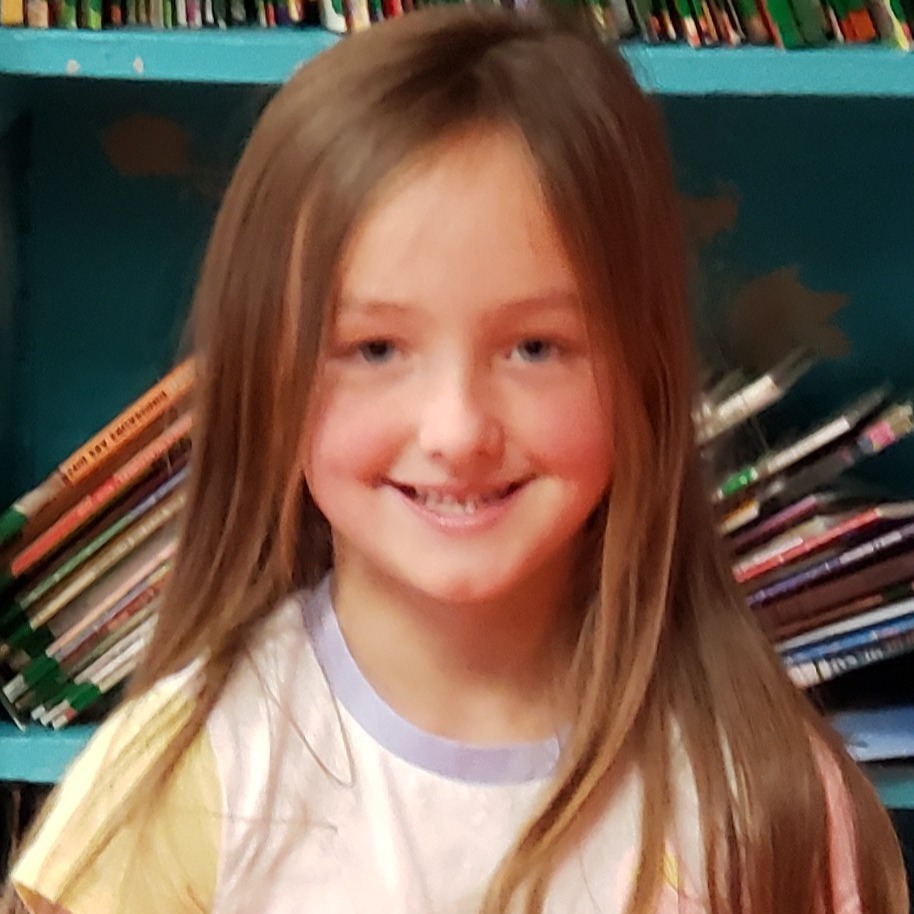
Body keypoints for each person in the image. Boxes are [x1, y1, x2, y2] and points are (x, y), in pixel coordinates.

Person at [6, 5, 908, 914]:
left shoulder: (770, 801)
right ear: (266, 378)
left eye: (535, 348)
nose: (457, 430)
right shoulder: (181, 783)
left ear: (645, 373)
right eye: (374, 349)